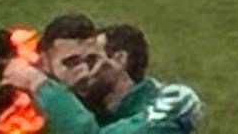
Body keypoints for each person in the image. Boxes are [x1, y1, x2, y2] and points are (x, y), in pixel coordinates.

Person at [14, 20, 202, 134]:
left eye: (92, 60)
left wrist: (38, 83)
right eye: (72, 63)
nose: (83, 72)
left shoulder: (175, 99)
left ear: (119, 60)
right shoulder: (81, 112)